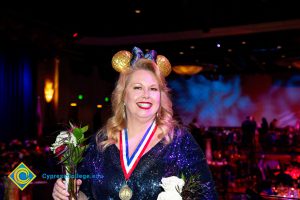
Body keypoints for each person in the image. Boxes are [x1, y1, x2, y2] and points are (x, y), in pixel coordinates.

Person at [52, 47, 218, 199]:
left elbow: (207, 195)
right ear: (124, 96)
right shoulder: (101, 141)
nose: (146, 95)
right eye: (137, 87)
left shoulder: (179, 141)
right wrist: (65, 194)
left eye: (153, 89)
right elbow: (84, 193)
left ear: (161, 97)